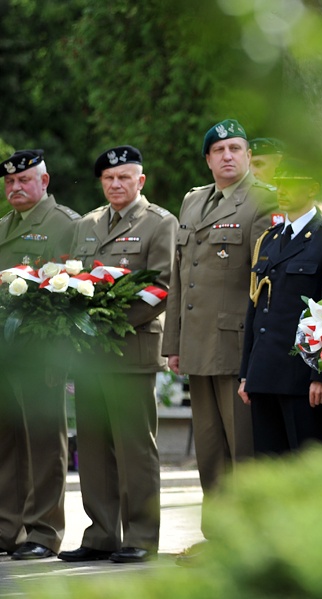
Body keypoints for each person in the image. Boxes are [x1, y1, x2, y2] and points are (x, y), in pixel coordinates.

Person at [162, 119, 277, 554]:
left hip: (237, 345)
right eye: (219, 150)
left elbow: (266, 284)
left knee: (243, 445)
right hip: (196, 345)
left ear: (248, 154)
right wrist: (172, 342)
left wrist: (260, 352)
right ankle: (219, 537)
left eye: (235, 148)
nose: (227, 156)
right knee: (210, 448)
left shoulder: (264, 202)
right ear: (208, 159)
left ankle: (250, 538)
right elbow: (180, 277)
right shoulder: (193, 202)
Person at [60, 146, 176, 563]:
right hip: (90, 353)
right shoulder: (87, 224)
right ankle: (101, 534)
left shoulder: (160, 223)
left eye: (124, 177)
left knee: (133, 448)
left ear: (140, 181)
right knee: (92, 447)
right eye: (109, 179)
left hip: (132, 349)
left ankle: (141, 537)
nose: (115, 184)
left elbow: (162, 286)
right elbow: (73, 278)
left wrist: (112, 322)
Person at [0, 149, 79, 560]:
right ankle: (6, 528)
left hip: (41, 352)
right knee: (7, 442)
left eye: (24, 180)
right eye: (9, 182)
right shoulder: (2, 227)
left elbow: (77, 287)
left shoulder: (64, 224)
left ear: (43, 182)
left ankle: (44, 532)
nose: (15, 187)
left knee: (44, 441)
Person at [238, 160, 322, 455]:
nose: (282, 190)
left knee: (307, 464)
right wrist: (248, 372)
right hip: (265, 374)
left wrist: (321, 375)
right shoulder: (269, 240)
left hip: (302, 377)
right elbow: (256, 309)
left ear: (313, 189)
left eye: (292, 183)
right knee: (269, 466)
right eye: (279, 183)